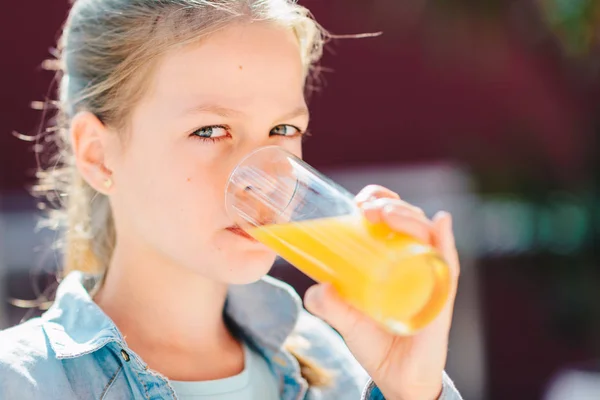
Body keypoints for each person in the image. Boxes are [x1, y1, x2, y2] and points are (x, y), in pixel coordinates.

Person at [0, 1, 462, 399]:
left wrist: (412, 391)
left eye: (282, 130)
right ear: (99, 155)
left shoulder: (337, 370)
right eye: (209, 131)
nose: (259, 181)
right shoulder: (24, 382)